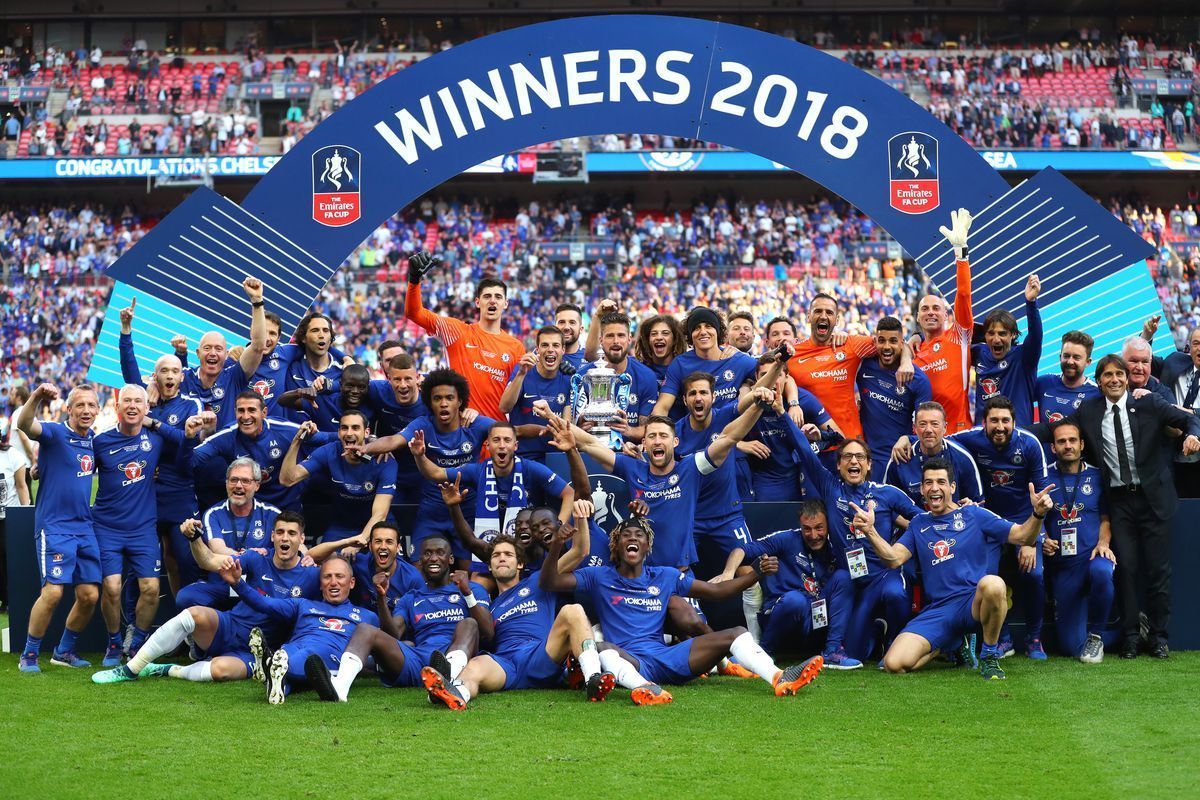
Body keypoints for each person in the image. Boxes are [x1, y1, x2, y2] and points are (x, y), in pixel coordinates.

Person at [540, 516, 824, 704]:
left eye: (639, 535)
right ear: (616, 545)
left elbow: (715, 591)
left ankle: (778, 677)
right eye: (626, 535)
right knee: (602, 649)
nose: (633, 539)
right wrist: (555, 547)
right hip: (632, 660)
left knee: (736, 633)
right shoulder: (599, 576)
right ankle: (645, 689)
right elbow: (550, 581)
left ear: (647, 545)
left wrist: (754, 575)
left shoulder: (664, 575)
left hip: (668, 657)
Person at [1041, 354, 1200, 659]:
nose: (1114, 380)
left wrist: (1193, 435)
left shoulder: (1149, 403)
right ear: (1098, 382)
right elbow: (1055, 431)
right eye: (1107, 375)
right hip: (1119, 502)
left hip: (1154, 499)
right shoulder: (1088, 409)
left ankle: (1158, 637)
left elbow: (1188, 419)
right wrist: (1015, 433)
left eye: (1119, 374)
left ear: (1127, 378)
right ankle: (1129, 636)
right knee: (1125, 570)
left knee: (1158, 572)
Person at [853, 458, 1055, 680]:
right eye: (928, 483)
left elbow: (1023, 536)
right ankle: (950, 644)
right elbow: (893, 559)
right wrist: (870, 531)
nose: (934, 488)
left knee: (994, 584)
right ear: (921, 489)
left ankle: (989, 656)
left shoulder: (974, 515)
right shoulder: (919, 523)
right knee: (894, 664)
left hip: (972, 602)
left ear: (952, 487)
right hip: (938, 609)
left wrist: (1037, 514)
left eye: (941, 481)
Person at [91, 511, 319, 684]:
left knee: (219, 671)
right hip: (230, 626)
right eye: (279, 532)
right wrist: (194, 538)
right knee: (194, 613)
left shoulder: (311, 575)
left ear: (301, 539)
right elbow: (208, 560)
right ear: (272, 536)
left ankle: (168, 669)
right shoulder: (257, 558)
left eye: (291, 533)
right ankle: (131, 669)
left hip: (258, 651)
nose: (284, 539)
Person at [569, 393, 775, 570]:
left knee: (692, 619)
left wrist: (758, 406)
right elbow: (589, 443)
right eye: (652, 437)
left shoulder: (691, 468)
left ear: (675, 442)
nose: (657, 441)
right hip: (642, 576)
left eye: (663, 436)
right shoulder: (631, 467)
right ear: (644, 443)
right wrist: (554, 419)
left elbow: (728, 437)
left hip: (679, 575)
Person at [421, 525, 610, 709]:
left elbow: (580, 551)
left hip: (541, 655)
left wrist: (580, 518)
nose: (501, 558)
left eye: (508, 554)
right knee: (476, 665)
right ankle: (455, 694)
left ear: (520, 564)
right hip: (507, 665)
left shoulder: (538, 581)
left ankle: (593, 679)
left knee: (573, 610)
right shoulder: (489, 607)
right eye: (496, 555)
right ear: (490, 567)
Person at [93, 385, 207, 665]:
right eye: (127, 401)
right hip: (106, 526)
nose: (132, 406)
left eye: (138, 402)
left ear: (147, 409)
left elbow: (184, 443)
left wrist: (189, 432)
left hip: (143, 528)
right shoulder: (100, 441)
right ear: (118, 406)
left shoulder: (155, 440)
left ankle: (139, 641)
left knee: (151, 589)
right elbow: (77, 468)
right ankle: (113, 641)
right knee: (112, 587)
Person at [304, 534, 493, 702]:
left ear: (450, 559)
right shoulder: (411, 597)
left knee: (468, 623)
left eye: (440, 553)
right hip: (420, 660)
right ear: (420, 560)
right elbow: (394, 633)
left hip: (453, 656)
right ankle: (339, 688)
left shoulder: (472, 589)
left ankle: (446, 683)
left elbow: (487, 632)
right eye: (427, 554)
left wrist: (467, 593)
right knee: (365, 629)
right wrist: (381, 597)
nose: (433, 558)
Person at [789, 434, 920, 664]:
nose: (854, 461)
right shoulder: (831, 488)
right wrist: (781, 412)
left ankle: (893, 645)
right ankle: (877, 632)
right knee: (856, 652)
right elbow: (804, 450)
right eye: (847, 456)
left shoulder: (886, 493)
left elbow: (922, 519)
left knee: (895, 593)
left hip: (883, 574)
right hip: (855, 583)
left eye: (860, 457)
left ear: (869, 464)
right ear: (838, 464)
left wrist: (902, 547)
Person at [116, 297, 206, 593]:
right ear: (155, 376)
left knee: (183, 556)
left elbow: (186, 440)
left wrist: (152, 423)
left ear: (182, 377)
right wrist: (126, 331)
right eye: (163, 371)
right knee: (140, 559)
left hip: (179, 490)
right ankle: (133, 625)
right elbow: (130, 374)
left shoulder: (191, 403)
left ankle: (190, 621)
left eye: (174, 371)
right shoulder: (146, 401)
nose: (169, 376)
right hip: (145, 491)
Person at [950, 395, 1051, 658]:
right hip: (988, 525)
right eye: (993, 420)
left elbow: (1043, 498)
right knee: (987, 577)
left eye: (1005, 420)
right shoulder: (969, 439)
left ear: (1014, 423)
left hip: (1024, 523)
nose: (1000, 426)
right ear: (984, 422)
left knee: (1035, 575)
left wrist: (1031, 539)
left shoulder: (1029, 444)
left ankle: (1034, 637)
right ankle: (1002, 637)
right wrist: (908, 439)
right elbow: (938, 441)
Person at [362, 369, 494, 563]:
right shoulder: (423, 424)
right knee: (418, 569)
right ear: (430, 403)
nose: (443, 404)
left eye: (450, 398)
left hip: (468, 510)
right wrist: (364, 447)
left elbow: (512, 432)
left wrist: (546, 427)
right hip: (432, 510)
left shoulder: (476, 424)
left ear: (460, 401)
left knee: (467, 572)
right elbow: (393, 440)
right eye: (437, 398)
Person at [410, 420, 573, 572]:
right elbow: (436, 473)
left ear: (515, 446)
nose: (502, 446)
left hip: (528, 548)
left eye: (507, 440)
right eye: (496, 440)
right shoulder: (477, 471)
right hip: (492, 548)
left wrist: (559, 526)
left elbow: (569, 493)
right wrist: (419, 456)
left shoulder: (532, 469)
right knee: (478, 585)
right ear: (487, 445)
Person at [17, 384, 102, 672]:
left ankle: (64, 651)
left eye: (91, 405)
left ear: (98, 410)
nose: (86, 411)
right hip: (54, 527)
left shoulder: (94, 441)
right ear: (69, 408)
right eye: (80, 405)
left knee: (90, 596)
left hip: (85, 527)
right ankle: (29, 654)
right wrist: (37, 397)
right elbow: (24, 424)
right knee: (52, 593)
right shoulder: (54, 433)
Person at [220, 555, 379, 704]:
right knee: (288, 654)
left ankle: (270, 664)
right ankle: (277, 686)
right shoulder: (303, 604)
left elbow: (378, 650)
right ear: (320, 584)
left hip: (325, 657)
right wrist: (238, 584)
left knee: (304, 656)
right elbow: (265, 604)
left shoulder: (367, 616)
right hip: (293, 649)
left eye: (339, 576)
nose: (333, 582)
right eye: (327, 576)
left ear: (351, 582)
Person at [717, 501, 857, 668]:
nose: (813, 535)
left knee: (843, 577)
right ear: (800, 525)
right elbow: (742, 550)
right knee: (795, 600)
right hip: (782, 614)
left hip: (815, 617)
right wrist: (728, 573)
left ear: (828, 524)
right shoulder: (787, 539)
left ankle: (832, 651)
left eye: (819, 528)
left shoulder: (837, 544)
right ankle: (763, 652)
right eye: (807, 529)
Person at [404, 251, 524, 420]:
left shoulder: (516, 347)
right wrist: (414, 280)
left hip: (495, 436)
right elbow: (414, 313)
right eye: (487, 296)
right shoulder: (457, 332)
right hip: (459, 431)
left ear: (505, 304)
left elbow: (521, 391)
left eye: (498, 297)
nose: (492, 301)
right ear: (477, 302)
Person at [137, 278, 268, 427]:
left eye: (218, 349)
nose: (213, 353)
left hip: (225, 448)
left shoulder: (234, 376)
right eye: (207, 348)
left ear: (226, 355)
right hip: (186, 448)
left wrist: (257, 301)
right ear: (198, 353)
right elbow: (146, 380)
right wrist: (153, 384)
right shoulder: (185, 376)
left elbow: (258, 346)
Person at [788, 293, 914, 445]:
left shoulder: (851, 345)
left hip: (850, 443)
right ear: (808, 316)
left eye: (829, 312)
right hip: (813, 445)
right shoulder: (793, 354)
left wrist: (906, 361)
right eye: (817, 311)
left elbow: (897, 344)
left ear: (837, 320)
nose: (823, 316)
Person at [1042, 421, 1116, 662]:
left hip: (1093, 556)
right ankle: (1129, 631)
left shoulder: (1097, 476)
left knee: (1103, 572)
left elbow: (1106, 518)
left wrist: (1103, 543)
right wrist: (1043, 538)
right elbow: (1035, 517)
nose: (1067, 446)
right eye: (1061, 442)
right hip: (1065, 566)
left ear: (1082, 444)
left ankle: (1095, 635)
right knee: (1070, 646)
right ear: (1053, 448)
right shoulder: (1044, 478)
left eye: (1072, 440)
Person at [192, 391, 335, 512]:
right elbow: (192, 458)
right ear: (235, 412)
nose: (246, 416)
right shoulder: (227, 436)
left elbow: (327, 438)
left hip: (288, 504)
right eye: (241, 410)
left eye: (252, 410)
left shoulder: (284, 429)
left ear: (264, 412)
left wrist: (355, 440)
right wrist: (187, 437)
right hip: (251, 506)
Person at [173, 458, 280, 611]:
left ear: (257, 485)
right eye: (233, 480)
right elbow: (218, 550)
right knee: (186, 597)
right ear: (226, 483)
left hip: (259, 589)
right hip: (223, 585)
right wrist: (251, 557)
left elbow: (295, 547)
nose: (238, 486)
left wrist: (307, 557)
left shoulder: (272, 514)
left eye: (245, 481)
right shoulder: (213, 514)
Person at [280, 412, 396, 541]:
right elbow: (287, 479)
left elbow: (380, 514)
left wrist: (359, 540)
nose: (349, 433)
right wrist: (297, 439)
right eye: (344, 428)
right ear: (339, 432)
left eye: (355, 428)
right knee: (327, 560)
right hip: (342, 526)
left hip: (378, 526)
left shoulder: (384, 459)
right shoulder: (329, 452)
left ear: (366, 432)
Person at [912, 208, 974, 433]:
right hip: (925, 438)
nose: (930, 312)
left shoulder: (959, 336)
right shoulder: (913, 353)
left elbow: (964, 295)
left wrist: (960, 254)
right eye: (925, 309)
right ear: (918, 318)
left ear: (947, 315)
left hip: (960, 433)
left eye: (936, 308)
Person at [857, 316, 933, 480]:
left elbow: (925, 424)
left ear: (902, 343)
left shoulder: (918, 380)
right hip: (865, 462)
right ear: (875, 341)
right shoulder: (862, 365)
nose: (886, 347)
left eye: (893, 341)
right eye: (882, 341)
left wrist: (909, 439)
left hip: (899, 461)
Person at [652, 307, 759, 417]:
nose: (703, 332)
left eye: (708, 326)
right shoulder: (680, 364)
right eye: (697, 328)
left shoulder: (738, 360)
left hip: (733, 432)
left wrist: (747, 387)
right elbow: (662, 407)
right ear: (690, 335)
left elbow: (769, 370)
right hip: (695, 431)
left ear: (718, 331)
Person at [578, 307, 660, 445]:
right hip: (591, 451)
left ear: (629, 339)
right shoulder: (584, 376)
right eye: (610, 336)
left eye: (621, 335)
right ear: (601, 340)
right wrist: (579, 427)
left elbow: (648, 428)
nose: (616, 341)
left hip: (630, 454)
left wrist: (628, 430)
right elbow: (572, 425)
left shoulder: (646, 376)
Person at [972, 274, 1044, 428]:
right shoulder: (978, 352)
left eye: (1002, 333)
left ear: (1012, 335)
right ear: (985, 335)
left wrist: (1031, 303)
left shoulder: (1024, 357)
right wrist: (918, 337)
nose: (996, 339)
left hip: (1017, 436)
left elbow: (1036, 336)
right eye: (991, 333)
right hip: (984, 437)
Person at [307, 520, 424, 612]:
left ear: (398, 547)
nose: (383, 546)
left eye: (389, 542)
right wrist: (346, 542)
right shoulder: (359, 561)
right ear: (370, 546)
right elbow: (312, 556)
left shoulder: (412, 578)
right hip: (363, 621)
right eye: (378, 541)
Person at [885, 401, 984, 506]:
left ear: (945, 427)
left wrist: (970, 508)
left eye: (934, 424)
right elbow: (888, 505)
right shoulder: (900, 458)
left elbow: (979, 503)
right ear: (914, 428)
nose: (928, 430)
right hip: (911, 521)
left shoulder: (962, 458)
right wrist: (915, 522)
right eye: (922, 424)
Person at [500, 325, 572, 463]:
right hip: (523, 457)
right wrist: (521, 373)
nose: (550, 349)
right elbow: (504, 407)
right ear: (537, 349)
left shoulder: (568, 379)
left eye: (555, 345)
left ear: (563, 350)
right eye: (545, 345)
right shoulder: (522, 371)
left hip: (556, 458)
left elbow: (567, 426)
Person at [363, 353, 427, 504]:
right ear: (389, 379)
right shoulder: (379, 390)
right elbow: (349, 382)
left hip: (424, 473)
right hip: (392, 470)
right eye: (397, 379)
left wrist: (470, 411)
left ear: (418, 378)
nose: (403, 385)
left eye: (408, 379)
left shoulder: (431, 397)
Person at [1154, 325, 1200, 497]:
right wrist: (1147, 335)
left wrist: (1189, 412)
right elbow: (1142, 362)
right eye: (1196, 343)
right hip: (1170, 457)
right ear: (1189, 347)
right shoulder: (1175, 362)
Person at [278, 363, 372, 433]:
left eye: (361, 387)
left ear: (368, 388)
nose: (355, 391)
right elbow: (282, 401)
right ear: (340, 385)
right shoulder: (323, 402)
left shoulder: (372, 407)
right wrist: (298, 392)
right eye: (350, 386)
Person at [1035, 331, 1101, 425]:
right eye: (1066, 356)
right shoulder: (1044, 382)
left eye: (1076, 357)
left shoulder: (1097, 393)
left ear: (1088, 362)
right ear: (1060, 357)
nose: (1070, 361)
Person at [0, 425, 31, 613]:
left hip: (8, 516)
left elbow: (21, 486)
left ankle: (10, 599)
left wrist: (24, 514)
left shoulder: (12, 456)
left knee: (7, 557)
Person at [554, 302, 587, 372]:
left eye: (572, 322)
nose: (566, 327)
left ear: (581, 329)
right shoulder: (541, 356)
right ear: (555, 327)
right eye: (562, 322)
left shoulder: (590, 358)